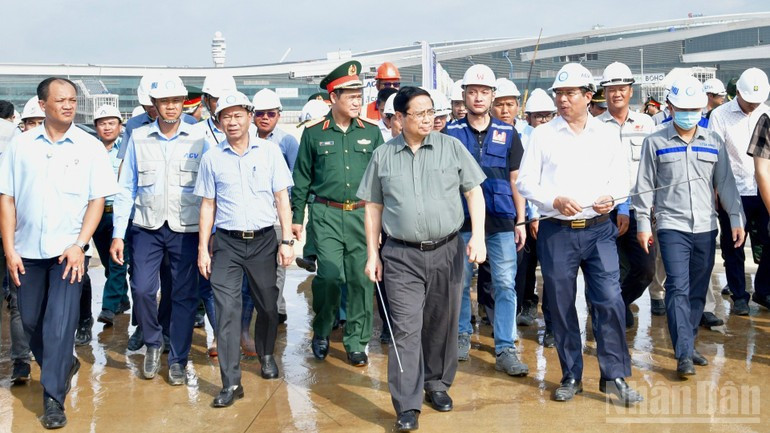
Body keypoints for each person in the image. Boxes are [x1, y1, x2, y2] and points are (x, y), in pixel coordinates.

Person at [358, 86, 487, 432]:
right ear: (399, 118)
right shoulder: (383, 156)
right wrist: (373, 254)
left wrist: (478, 236)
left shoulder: (451, 148)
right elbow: (373, 207)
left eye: (431, 111)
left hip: (447, 249)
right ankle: (406, 405)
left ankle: (437, 384)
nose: (429, 118)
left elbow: (473, 191)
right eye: (419, 113)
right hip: (400, 256)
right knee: (405, 330)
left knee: (441, 324)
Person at [516, 63, 642, 404]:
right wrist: (552, 199)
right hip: (557, 232)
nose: (563, 100)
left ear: (588, 96)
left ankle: (614, 376)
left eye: (570, 93)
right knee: (559, 305)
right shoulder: (543, 135)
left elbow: (621, 177)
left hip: (599, 231)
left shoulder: (605, 134)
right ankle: (571, 374)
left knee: (611, 301)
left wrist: (611, 198)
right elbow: (526, 182)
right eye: (559, 93)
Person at [0, 77, 117, 429]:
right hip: (27, 252)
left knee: (59, 326)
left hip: (69, 254)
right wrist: (9, 250)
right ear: (43, 105)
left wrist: (80, 245)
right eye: (60, 100)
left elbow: (98, 200)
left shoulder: (89, 146)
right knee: (30, 320)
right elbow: (6, 199)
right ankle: (63, 363)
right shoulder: (19, 146)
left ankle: (54, 398)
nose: (68, 105)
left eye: (72, 100)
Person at [634, 75, 745, 378]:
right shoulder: (654, 141)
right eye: (683, 108)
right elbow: (643, 186)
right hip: (671, 226)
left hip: (706, 227)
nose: (689, 114)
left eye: (695, 108)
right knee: (677, 288)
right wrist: (643, 224)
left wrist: (736, 218)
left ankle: (688, 342)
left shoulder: (714, 141)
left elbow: (726, 184)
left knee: (697, 290)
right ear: (670, 107)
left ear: (702, 108)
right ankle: (683, 353)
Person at [195, 91, 294, 407]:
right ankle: (231, 383)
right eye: (226, 116)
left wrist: (287, 241)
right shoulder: (212, 158)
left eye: (239, 115)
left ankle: (266, 353)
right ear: (219, 121)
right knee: (227, 312)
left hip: (265, 241)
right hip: (227, 243)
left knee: (267, 305)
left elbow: (282, 198)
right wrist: (202, 248)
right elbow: (207, 205)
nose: (233, 121)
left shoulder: (269, 152)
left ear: (250, 117)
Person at [110, 74, 209, 385]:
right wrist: (117, 233)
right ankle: (153, 342)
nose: (170, 107)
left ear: (183, 103)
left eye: (175, 101)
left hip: (187, 228)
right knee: (141, 289)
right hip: (147, 227)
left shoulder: (199, 137)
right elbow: (126, 188)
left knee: (183, 296)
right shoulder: (139, 138)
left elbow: (210, 189)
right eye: (164, 102)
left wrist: (210, 235)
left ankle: (178, 358)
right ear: (154, 106)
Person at [291, 60, 384, 366]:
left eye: (360, 94)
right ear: (333, 98)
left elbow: (382, 181)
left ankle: (356, 340)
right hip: (326, 215)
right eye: (350, 95)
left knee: (361, 280)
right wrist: (296, 219)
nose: (358, 100)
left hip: (362, 216)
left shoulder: (371, 134)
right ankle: (321, 330)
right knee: (330, 277)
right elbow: (302, 180)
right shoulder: (314, 135)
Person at [445, 64, 529, 375]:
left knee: (506, 285)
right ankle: (461, 336)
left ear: (492, 96)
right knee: (459, 283)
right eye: (472, 92)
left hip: (501, 224)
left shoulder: (509, 133)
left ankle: (505, 346)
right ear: (464, 95)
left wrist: (521, 220)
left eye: (484, 92)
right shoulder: (449, 134)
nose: (478, 97)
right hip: (460, 224)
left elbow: (515, 179)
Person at [596, 62, 656, 328]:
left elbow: (655, 167)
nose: (616, 94)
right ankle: (606, 315)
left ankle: (617, 304)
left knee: (645, 269)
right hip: (604, 211)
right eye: (611, 89)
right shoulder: (594, 126)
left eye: (621, 88)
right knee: (605, 269)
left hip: (639, 209)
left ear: (631, 90)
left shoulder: (647, 124)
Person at [710, 68, 770, 313]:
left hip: (763, 189)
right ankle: (739, 295)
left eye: (758, 101)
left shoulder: (767, 113)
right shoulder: (720, 115)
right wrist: (715, 188)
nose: (754, 105)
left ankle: (764, 290)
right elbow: (714, 153)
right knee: (734, 244)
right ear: (737, 94)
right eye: (749, 101)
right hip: (732, 189)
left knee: (768, 240)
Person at [252, 88, 301, 325]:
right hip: (253, 214)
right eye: (260, 113)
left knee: (279, 266)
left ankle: (276, 308)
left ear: (278, 115)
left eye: (270, 114)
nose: (265, 118)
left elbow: (296, 177)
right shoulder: (246, 139)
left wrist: (293, 218)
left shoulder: (287, 142)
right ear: (252, 115)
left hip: (279, 214)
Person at [514, 88, 556, 347]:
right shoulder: (522, 139)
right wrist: (531, 214)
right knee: (525, 267)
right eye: (537, 116)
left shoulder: (557, 138)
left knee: (552, 272)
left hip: (552, 214)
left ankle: (552, 324)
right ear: (527, 117)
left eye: (546, 116)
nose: (542, 120)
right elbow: (522, 181)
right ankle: (527, 304)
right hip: (529, 216)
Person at [91, 105, 131, 326]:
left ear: (119, 125)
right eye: (102, 123)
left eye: (111, 123)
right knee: (108, 262)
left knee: (118, 262)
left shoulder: (126, 149)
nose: (107, 127)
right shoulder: (90, 150)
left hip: (120, 212)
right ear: (96, 127)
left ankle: (108, 306)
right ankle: (123, 299)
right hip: (97, 213)